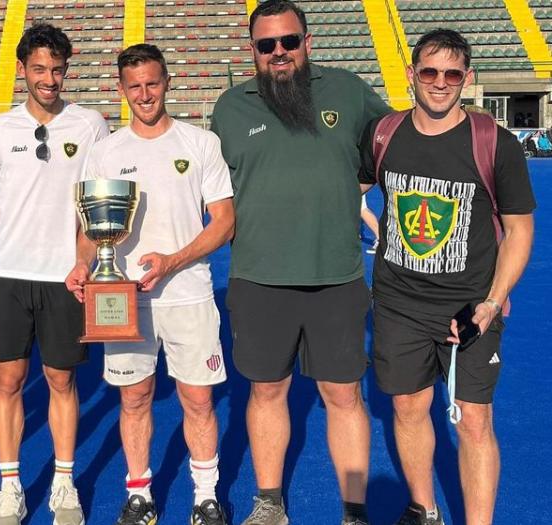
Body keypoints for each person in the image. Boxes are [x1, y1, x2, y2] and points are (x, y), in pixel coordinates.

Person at [209, 1, 392, 524]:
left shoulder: (348, 91)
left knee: (344, 394)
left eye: (289, 41)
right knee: (267, 391)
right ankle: (269, 504)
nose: (279, 53)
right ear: (254, 51)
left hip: (336, 275)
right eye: (267, 45)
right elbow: (206, 189)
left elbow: (394, 145)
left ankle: (354, 511)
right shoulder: (230, 107)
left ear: (307, 41)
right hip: (259, 278)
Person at [358, 29, 535, 525]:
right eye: (430, 72)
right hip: (397, 303)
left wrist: (493, 300)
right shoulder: (384, 134)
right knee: (409, 408)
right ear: (411, 75)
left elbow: (520, 230)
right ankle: (425, 510)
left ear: (468, 79)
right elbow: (347, 190)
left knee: (474, 419)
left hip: (472, 305)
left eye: (452, 74)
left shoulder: (494, 142)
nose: (440, 83)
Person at [67, 43, 235, 525]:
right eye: (134, 86)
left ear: (167, 82)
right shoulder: (105, 152)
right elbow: (87, 226)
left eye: (152, 83)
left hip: (188, 294)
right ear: (121, 90)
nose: (145, 94)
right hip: (122, 298)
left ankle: (205, 496)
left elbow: (223, 220)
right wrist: (84, 264)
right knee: (134, 397)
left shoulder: (200, 143)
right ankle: (139, 492)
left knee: (198, 399)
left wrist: (174, 260)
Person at [0, 22, 109, 525]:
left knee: (60, 378)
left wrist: (84, 259)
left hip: (65, 276)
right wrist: (7, 220)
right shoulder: (2, 127)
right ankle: (9, 487)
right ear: (22, 70)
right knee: (8, 379)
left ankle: (63, 481)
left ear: (66, 70)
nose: (48, 78)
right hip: (8, 273)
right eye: (39, 69)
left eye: (56, 69)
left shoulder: (90, 124)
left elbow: (97, 201)